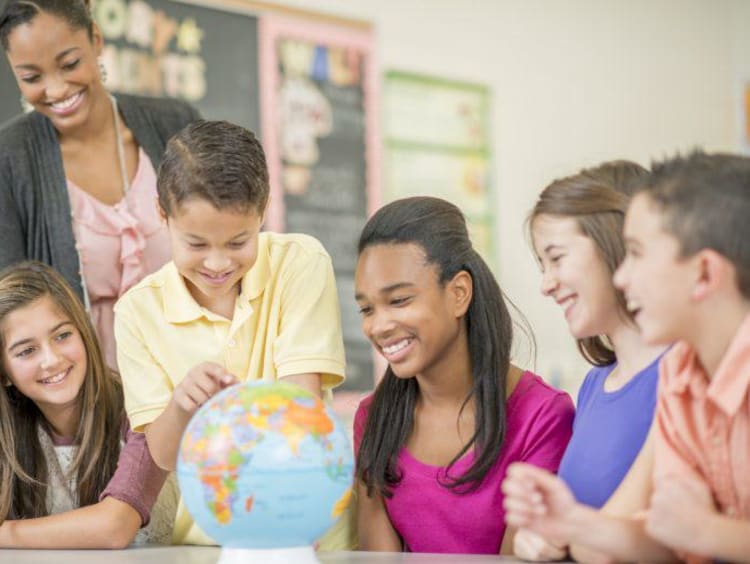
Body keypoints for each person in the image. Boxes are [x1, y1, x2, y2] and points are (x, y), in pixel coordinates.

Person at [503, 152, 750, 563]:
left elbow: (688, 534)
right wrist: (570, 522)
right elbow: (665, 541)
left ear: (705, 274)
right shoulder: (682, 376)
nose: (622, 276)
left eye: (636, 253)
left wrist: (708, 532)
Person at [114, 120, 348, 547]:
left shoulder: (300, 262)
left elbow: (303, 412)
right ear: (161, 215)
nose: (218, 264)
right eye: (197, 245)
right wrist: (183, 404)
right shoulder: (137, 311)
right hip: (210, 543)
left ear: (263, 211)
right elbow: (163, 455)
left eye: (239, 242)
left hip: (310, 534)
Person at [352, 196, 575, 554]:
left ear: (458, 293)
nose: (378, 325)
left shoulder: (543, 416)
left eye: (399, 301)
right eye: (366, 308)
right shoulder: (373, 418)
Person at [0, 0, 201, 367]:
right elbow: (9, 307)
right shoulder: (9, 159)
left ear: (95, 38)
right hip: (80, 408)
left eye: (70, 63)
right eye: (32, 77)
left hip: (192, 384)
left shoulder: (176, 124)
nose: (57, 89)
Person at [513, 161, 665, 560]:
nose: (546, 284)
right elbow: (578, 529)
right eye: (542, 266)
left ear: (616, 244)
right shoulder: (595, 386)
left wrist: (569, 535)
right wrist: (537, 538)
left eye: (557, 259)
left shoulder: (683, 374)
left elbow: (604, 545)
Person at [0, 261, 176, 549]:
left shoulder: (140, 406)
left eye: (62, 335)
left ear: (83, 332)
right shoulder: (9, 434)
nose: (52, 359)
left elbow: (115, 528)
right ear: (4, 373)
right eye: (27, 351)